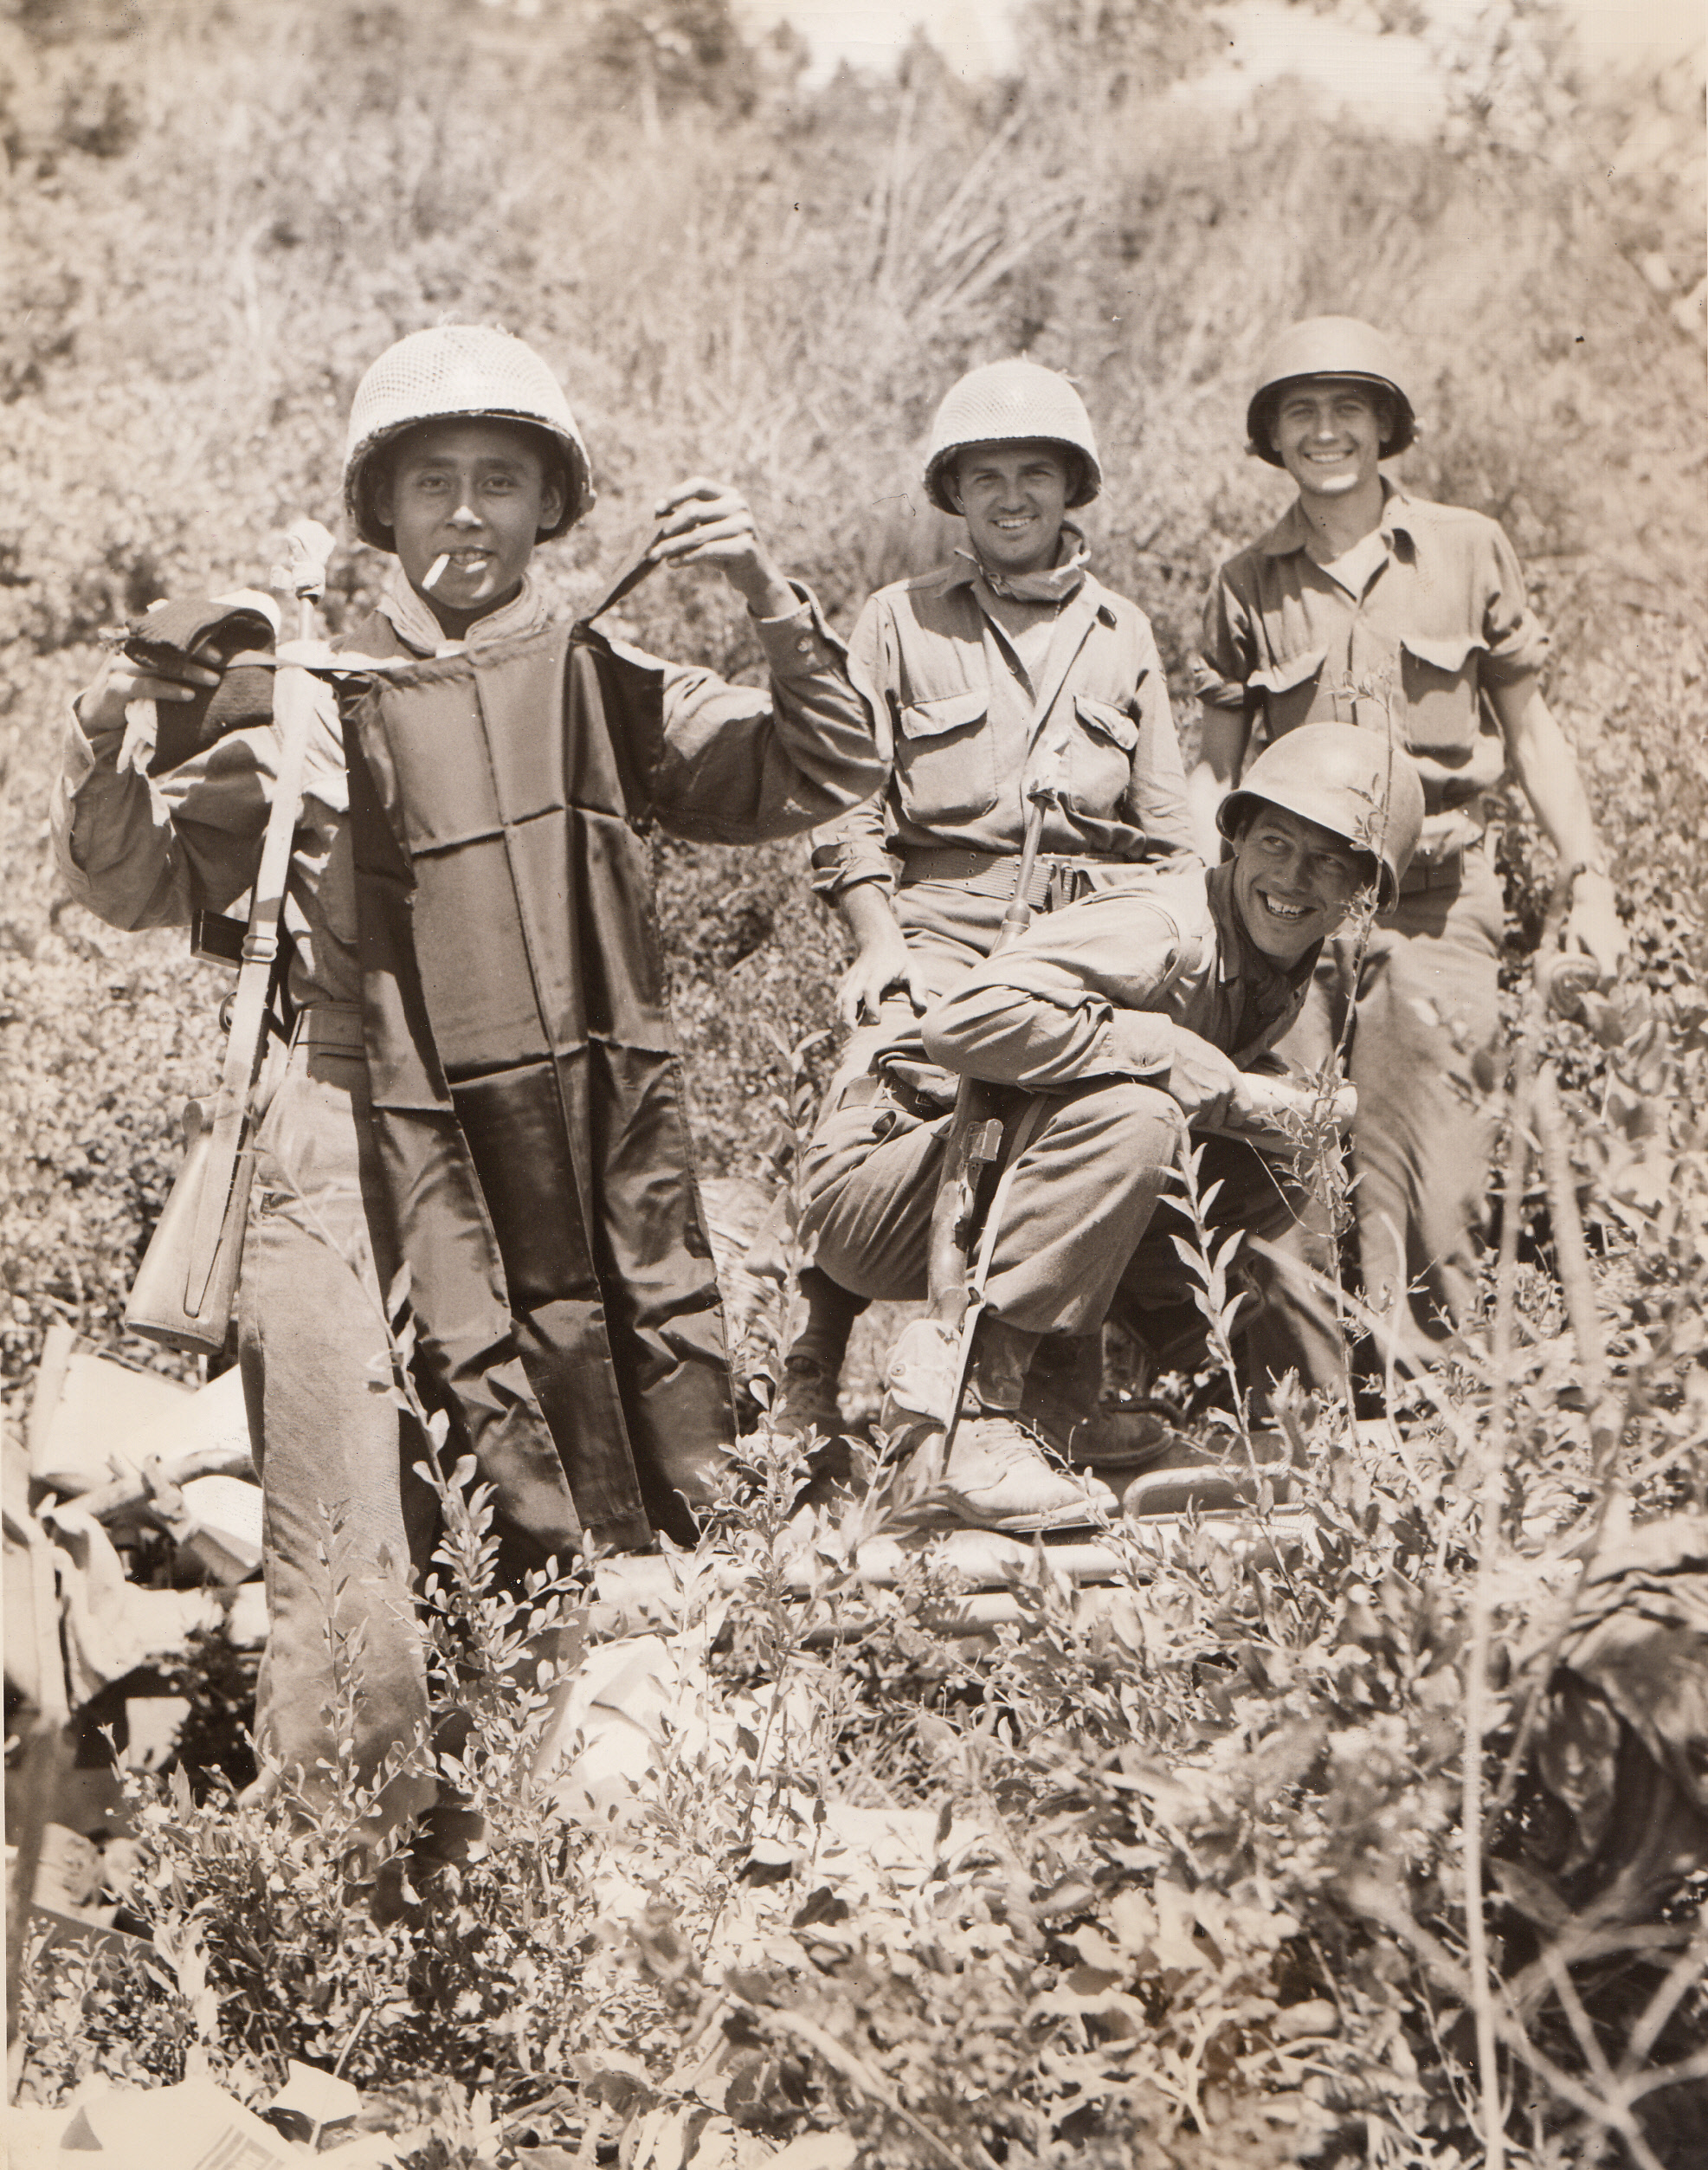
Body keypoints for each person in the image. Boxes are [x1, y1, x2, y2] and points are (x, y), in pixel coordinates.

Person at [52, 324, 884, 1839]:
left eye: (501, 481)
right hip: (339, 1133)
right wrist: (105, 757)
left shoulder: (598, 684)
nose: (464, 516)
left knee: (554, 1463)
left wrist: (767, 600)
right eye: (431, 481)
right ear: (380, 509)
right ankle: (353, 1885)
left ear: (549, 506)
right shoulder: (304, 690)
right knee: (345, 1513)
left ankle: (547, 1842)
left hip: (541, 1141)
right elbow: (138, 881)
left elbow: (816, 770)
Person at [800, 725, 1425, 1532]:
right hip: (880, 1190)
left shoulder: (1275, 959)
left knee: (1283, 1147)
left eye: (1330, 862)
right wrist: (1162, 1052)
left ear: (1363, 893)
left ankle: (1056, 1405)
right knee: (1141, 1111)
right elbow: (965, 1021)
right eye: (1275, 843)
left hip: (987, 1173)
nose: (1293, 878)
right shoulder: (1168, 930)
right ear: (1234, 840)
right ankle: (980, 1422)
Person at [772, 358, 1197, 1441]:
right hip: (937, 925)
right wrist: (878, 940)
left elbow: (1168, 833)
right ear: (953, 495)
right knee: (885, 1092)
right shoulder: (898, 621)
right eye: (985, 476)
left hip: (1081, 931)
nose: (1012, 498)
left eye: (1036, 474)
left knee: (1101, 1111)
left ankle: (1058, 1387)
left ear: (1071, 488)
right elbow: (844, 805)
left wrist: (1163, 948)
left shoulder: (1121, 634)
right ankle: (809, 1364)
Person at [1188, 317, 1624, 1353]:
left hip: (1434, 901)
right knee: (1279, 1166)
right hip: (1293, 912)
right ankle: (1310, 1422)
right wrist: (1198, 907)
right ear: (1272, 436)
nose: (1325, 432)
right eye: (1300, 412)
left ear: (1385, 426)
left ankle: (1440, 1415)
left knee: (1438, 1177)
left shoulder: (1467, 549)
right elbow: (1213, 766)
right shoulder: (1244, 581)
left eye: (1348, 410)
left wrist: (1589, 876)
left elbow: (1530, 730)